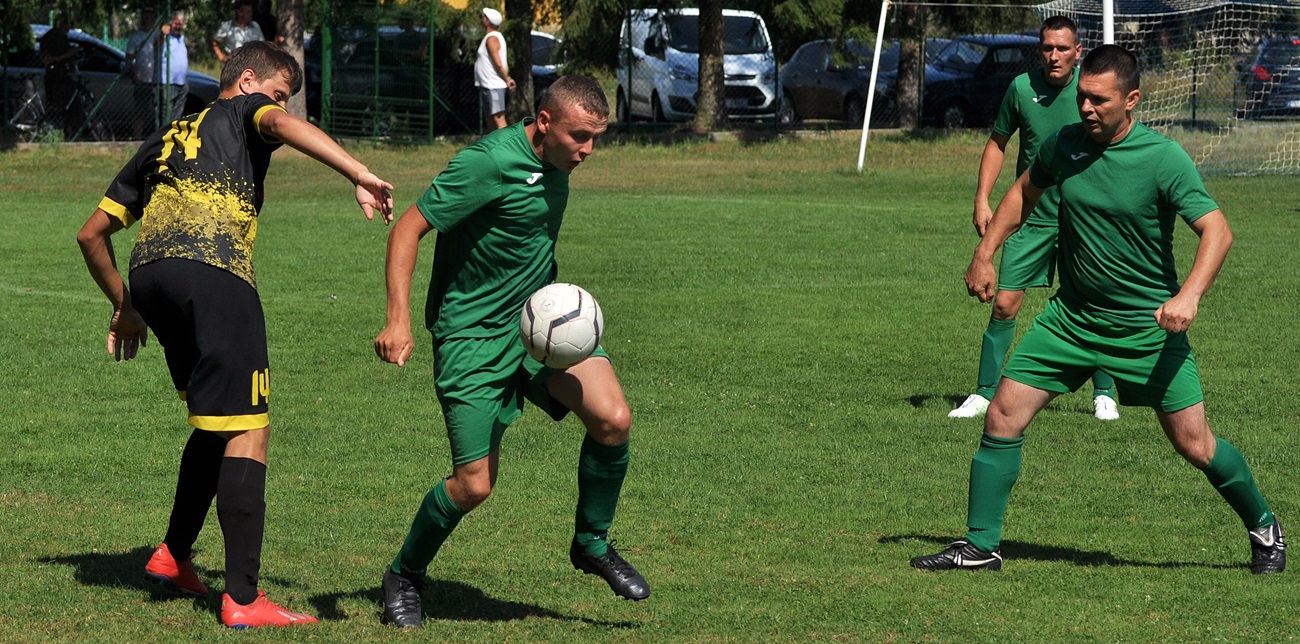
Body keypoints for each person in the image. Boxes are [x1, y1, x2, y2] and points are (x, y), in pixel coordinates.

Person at [910, 45, 1285, 575]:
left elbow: (1217, 231)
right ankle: (980, 547)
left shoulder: (1163, 158)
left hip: (1144, 330)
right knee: (1002, 413)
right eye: (1082, 97)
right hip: (1072, 320)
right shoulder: (1066, 144)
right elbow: (1022, 193)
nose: (1085, 108)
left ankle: (1265, 527)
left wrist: (1189, 296)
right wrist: (985, 251)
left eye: (1098, 100)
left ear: (1131, 101)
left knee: (1195, 444)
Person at [75, 41, 395, 628]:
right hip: (214, 274)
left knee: (215, 421)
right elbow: (278, 121)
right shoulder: (245, 109)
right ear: (247, 82)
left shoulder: (164, 139)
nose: (278, 110)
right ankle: (244, 600)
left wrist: (127, 307)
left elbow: (91, 234)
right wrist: (359, 172)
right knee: (250, 425)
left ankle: (172, 556)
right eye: (277, 94)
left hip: (152, 277)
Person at [373, 75, 648, 630]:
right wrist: (397, 319)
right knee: (474, 484)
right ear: (544, 122)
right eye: (579, 137)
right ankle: (404, 574)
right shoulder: (488, 163)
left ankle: (591, 543)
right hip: (471, 338)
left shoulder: (559, 162)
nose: (588, 151)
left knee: (614, 420)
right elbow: (409, 227)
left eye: (596, 138)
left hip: (540, 330)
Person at [949, 16, 1120, 421]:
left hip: (1084, 219)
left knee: (1095, 302)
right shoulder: (1021, 88)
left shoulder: (1091, 93)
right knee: (1005, 304)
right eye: (1047, 48)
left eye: (1063, 48)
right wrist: (982, 199)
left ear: (1078, 52)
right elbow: (997, 143)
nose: (1054, 55)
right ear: (1038, 50)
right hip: (1031, 217)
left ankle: (1105, 393)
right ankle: (985, 393)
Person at [38, 15, 83, 138]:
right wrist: (65, 55)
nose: (67, 30)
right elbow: (46, 60)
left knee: (73, 105)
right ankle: (56, 131)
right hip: (54, 77)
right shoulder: (49, 38)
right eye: (65, 27)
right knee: (57, 107)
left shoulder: (64, 37)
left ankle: (71, 131)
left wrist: (72, 53)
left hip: (66, 75)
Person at [474, 7, 515, 132]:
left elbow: (498, 63)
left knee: (498, 118)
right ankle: (494, 147)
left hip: (494, 85)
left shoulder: (492, 39)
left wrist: (506, 79)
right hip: (488, 84)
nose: (482, 19)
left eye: (484, 17)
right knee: (490, 118)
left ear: (488, 21)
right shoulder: (492, 37)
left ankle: (509, 148)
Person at [125, 9, 162, 138]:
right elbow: (129, 58)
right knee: (140, 111)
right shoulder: (136, 37)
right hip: (142, 80)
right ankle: (137, 138)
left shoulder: (158, 35)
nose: (147, 21)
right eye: (145, 18)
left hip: (157, 79)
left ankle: (159, 137)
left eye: (150, 18)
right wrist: (134, 76)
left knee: (159, 111)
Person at [158, 11, 190, 124]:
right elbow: (157, 45)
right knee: (166, 111)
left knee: (177, 112)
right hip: (169, 81)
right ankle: (163, 135)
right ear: (171, 23)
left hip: (182, 81)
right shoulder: (165, 37)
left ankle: (172, 132)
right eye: (176, 23)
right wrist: (162, 33)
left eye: (180, 24)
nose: (178, 26)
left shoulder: (181, 37)